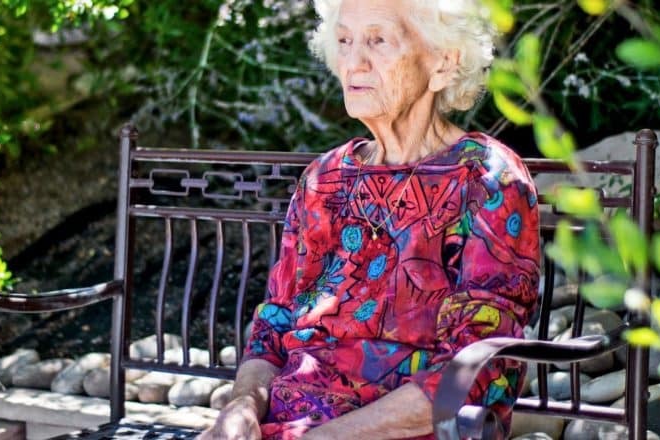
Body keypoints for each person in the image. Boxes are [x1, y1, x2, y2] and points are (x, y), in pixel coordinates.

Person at [199, 0, 539, 438]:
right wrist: (242, 406)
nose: (353, 62)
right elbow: (275, 323)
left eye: (378, 40)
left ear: (443, 62)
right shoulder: (326, 179)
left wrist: (325, 437)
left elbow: (476, 368)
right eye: (344, 41)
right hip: (285, 422)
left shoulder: (485, 177)